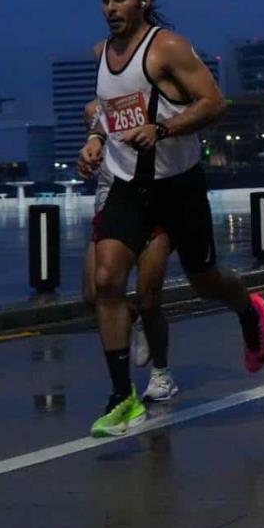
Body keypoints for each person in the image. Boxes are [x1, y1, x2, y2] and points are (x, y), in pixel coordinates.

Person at [78, 0, 264, 438]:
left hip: (178, 186)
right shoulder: (101, 54)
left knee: (205, 281)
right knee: (105, 280)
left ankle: (249, 310)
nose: (110, 9)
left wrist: (162, 128)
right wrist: (94, 141)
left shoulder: (167, 48)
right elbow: (105, 113)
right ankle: (123, 397)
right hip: (128, 187)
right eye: (105, 0)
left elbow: (213, 102)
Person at [80, 100, 178, 403]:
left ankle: (162, 374)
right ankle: (130, 318)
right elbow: (100, 146)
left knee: (149, 298)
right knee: (94, 294)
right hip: (112, 204)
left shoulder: (162, 100)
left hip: (157, 203)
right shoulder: (94, 110)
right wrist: (89, 154)